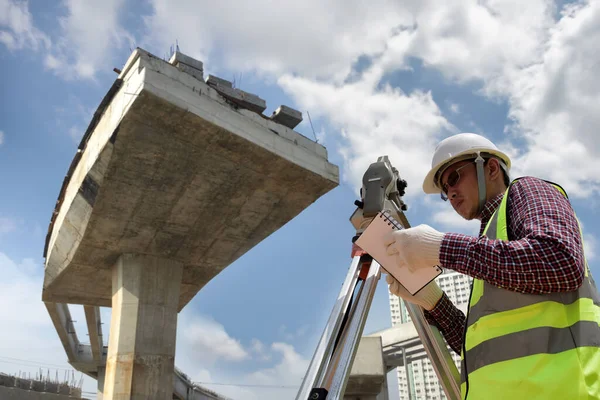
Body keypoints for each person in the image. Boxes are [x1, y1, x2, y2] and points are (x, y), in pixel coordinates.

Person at [382, 132, 600, 399]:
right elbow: (481, 351)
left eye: (453, 178)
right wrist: (432, 299)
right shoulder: (491, 247)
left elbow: (559, 260)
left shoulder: (528, 190)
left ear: (492, 168)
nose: (450, 192)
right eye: (443, 190)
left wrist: (439, 247)